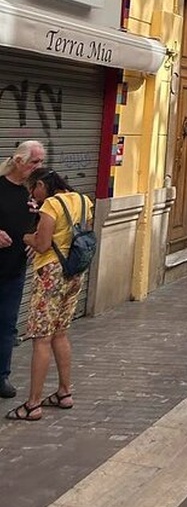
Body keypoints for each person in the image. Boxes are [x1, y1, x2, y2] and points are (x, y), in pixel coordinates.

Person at [6, 168, 93, 421]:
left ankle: (33, 404)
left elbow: (42, 244)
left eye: (34, 189)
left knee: (41, 338)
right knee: (60, 333)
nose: (33, 195)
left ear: (42, 185)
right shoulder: (82, 200)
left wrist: (24, 236)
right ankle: (65, 392)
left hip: (51, 273)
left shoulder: (51, 206)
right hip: (74, 272)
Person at [0, 141, 45, 400]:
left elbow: (41, 223)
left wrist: (35, 238)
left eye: (40, 162)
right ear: (18, 161)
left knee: (7, 326)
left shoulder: (33, 192)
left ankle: (1, 376)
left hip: (14, 270)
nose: (38, 167)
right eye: (34, 162)